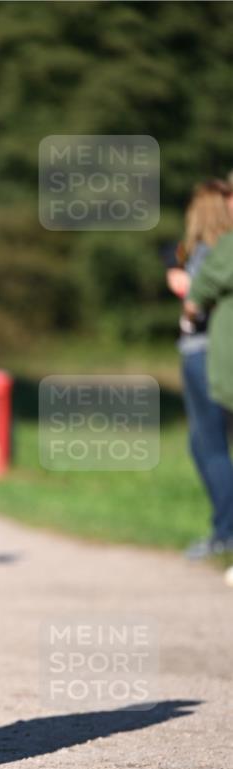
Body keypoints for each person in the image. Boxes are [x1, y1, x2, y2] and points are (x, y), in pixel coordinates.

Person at [166, 179, 233, 559]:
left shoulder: (214, 250)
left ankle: (226, 531)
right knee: (203, 443)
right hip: (210, 351)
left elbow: (198, 300)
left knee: (211, 444)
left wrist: (188, 293)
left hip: (206, 351)